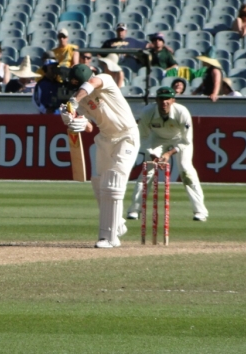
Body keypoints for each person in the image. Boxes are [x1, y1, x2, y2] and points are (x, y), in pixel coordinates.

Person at [59, 64, 140, 248]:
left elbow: (91, 84)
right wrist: (72, 121)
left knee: (114, 181)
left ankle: (108, 237)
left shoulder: (105, 79)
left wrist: (73, 100)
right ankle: (117, 224)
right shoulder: (80, 100)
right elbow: (88, 127)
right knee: (99, 182)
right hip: (105, 139)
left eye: (79, 86)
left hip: (126, 135)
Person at [126, 86, 208, 223]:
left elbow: (186, 140)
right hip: (157, 139)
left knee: (186, 170)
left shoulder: (182, 112)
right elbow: (143, 138)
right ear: (156, 100)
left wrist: (169, 154)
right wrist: (153, 155)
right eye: (161, 99)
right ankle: (134, 210)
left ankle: (200, 211)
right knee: (148, 171)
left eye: (167, 99)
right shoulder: (147, 112)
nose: (164, 103)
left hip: (179, 140)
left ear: (173, 100)